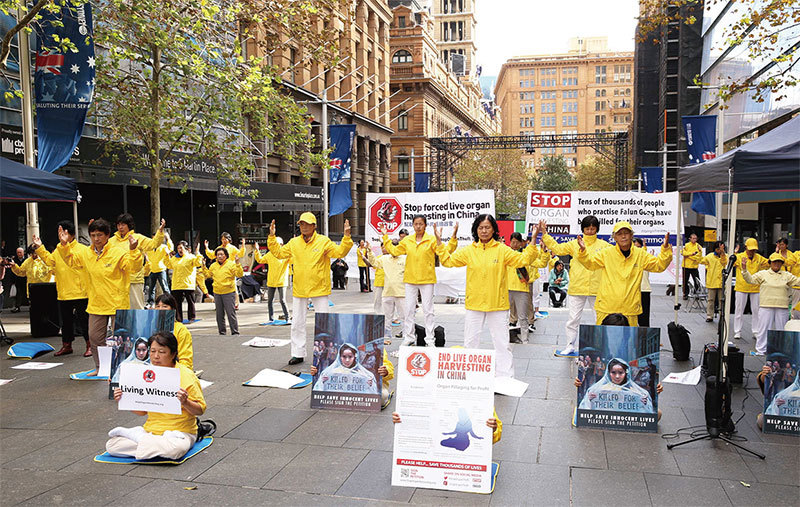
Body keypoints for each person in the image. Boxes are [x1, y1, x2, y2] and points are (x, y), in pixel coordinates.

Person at [435, 215, 540, 378]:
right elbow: (448, 261)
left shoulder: (502, 249)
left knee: (501, 343)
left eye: (487, 227)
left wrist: (533, 241)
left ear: (494, 229)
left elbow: (523, 259)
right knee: (470, 342)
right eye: (481, 228)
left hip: (497, 304)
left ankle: (505, 377)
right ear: (476, 230)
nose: (484, 231)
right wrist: (440, 243)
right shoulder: (469, 251)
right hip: (474, 304)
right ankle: (469, 376)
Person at [52, 218, 143, 374]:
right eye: (93, 235)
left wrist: (134, 250)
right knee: (95, 338)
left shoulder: (118, 253)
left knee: (121, 340)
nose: (96, 239)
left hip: (117, 303)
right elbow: (71, 261)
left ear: (107, 235)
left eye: (99, 235)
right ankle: (101, 367)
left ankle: (123, 370)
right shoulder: (86, 253)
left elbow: (134, 268)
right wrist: (64, 245)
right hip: (96, 303)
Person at [267, 213, 353, 365]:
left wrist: (346, 237)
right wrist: (272, 237)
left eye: (307, 224)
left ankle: (326, 353)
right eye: (301, 224)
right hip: (300, 287)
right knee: (297, 323)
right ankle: (297, 353)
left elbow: (339, 253)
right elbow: (279, 253)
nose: (304, 227)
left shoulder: (323, 241)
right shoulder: (294, 242)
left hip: (319, 287)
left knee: (324, 322)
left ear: (314, 226)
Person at [106, 331, 206, 460]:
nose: (156, 356)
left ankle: (140, 439)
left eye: (162, 352)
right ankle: (147, 441)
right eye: (152, 351)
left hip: (180, 432)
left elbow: (200, 410)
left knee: (175, 450)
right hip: (151, 430)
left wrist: (185, 402)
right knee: (113, 446)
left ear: (173, 354)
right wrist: (123, 399)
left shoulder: (186, 375)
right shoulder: (146, 373)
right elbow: (142, 412)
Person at [576, 221, 673, 326]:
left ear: (631, 235)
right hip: (607, 308)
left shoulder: (640, 254)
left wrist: (665, 249)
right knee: (603, 340)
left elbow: (659, 266)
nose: (623, 236)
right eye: (619, 234)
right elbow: (590, 263)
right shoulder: (606, 253)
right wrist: (583, 251)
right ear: (614, 237)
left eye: (626, 233)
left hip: (630, 309)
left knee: (628, 341)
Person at [539, 216, 611, 357]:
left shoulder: (605, 246)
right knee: (573, 319)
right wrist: (545, 234)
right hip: (578, 287)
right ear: (583, 229)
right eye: (587, 228)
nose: (590, 231)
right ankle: (570, 345)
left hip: (598, 288)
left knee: (601, 319)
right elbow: (558, 248)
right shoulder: (574, 244)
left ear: (597, 229)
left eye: (593, 228)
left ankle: (603, 347)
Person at [381, 216, 457, 346]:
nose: (418, 226)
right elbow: (394, 251)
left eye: (421, 224)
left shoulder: (431, 239)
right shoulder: (407, 241)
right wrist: (385, 236)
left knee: (428, 310)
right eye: (416, 224)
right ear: (413, 225)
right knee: (408, 310)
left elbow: (445, 251)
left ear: (425, 225)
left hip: (427, 279)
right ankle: (409, 337)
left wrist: (452, 238)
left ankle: (430, 339)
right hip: (410, 279)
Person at [34, 221, 91, 357]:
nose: (61, 236)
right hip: (64, 291)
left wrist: (65, 245)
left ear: (71, 234)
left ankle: (90, 345)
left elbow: (75, 262)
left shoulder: (82, 249)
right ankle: (67, 345)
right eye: (60, 233)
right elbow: (50, 261)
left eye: (64, 233)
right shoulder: (58, 249)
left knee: (84, 320)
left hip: (80, 291)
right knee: (65, 322)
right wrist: (39, 247)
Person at [740, 253, 800, 356]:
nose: (776, 264)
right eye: (774, 262)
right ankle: (760, 350)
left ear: (781, 264)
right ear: (770, 263)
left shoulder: (786, 275)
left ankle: (781, 351)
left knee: (781, 330)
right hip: (766, 305)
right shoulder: (763, 273)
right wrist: (744, 270)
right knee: (763, 328)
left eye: (779, 262)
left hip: (782, 306)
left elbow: (798, 281)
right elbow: (750, 279)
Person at [109, 214, 166, 310]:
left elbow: (153, 244)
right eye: (118, 225)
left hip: (134, 280)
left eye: (123, 224)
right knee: (119, 310)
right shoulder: (111, 241)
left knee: (136, 309)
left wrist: (160, 231)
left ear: (129, 225)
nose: (120, 227)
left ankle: (139, 325)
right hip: (117, 281)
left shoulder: (137, 238)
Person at [507, 232, 548, 343]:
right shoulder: (506, 253)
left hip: (522, 288)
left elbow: (542, 264)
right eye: (512, 241)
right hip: (508, 288)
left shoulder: (526, 255)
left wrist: (544, 252)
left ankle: (525, 339)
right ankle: (509, 334)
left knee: (522, 316)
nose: (514, 244)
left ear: (521, 243)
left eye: (517, 242)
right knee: (507, 313)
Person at [393, 410, 502, 444]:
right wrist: (402, 420)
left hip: (466, 449)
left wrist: (492, 430)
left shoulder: (482, 402)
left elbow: (494, 436)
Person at [733, 238, 769, 340]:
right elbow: (728, 262)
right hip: (742, 286)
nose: (752, 252)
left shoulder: (759, 258)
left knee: (756, 310)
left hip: (755, 287)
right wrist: (734, 254)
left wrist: (777, 252)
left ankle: (756, 331)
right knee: (739, 310)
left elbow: (769, 263)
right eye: (750, 249)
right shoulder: (739, 257)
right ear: (746, 248)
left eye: (754, 250)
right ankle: (737, 331)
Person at [311, 343, 380, 394]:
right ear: (340, 357)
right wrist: (323, 382)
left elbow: (372, 395)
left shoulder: (365, 374)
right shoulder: (330, 373)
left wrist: (369, 385)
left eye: (350, 357)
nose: (347, 360)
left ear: (355, 357)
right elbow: (318, 391)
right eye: (344, 357)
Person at [204, 247, 243, 335]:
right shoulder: (213, 265)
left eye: (222, 254)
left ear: (226, 255)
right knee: (219, 315)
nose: (220, 256)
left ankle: (235, 332)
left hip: (228, 292)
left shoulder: (231, 264)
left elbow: (239, 274)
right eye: (218, 255)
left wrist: (237, 263)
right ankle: (222, 332)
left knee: (230, 313)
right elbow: (208, 275)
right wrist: (203, 266)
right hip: (217, 292)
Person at [165, 241, 204, 323]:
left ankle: (191, 317)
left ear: (186, 249)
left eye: (181, 248)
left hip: (188, 284)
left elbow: (198, 263)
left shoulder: (191, 257)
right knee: (177, 303)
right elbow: (168, 265)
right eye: (178, 248)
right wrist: (166, 256)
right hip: (177, 284)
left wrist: (198, 254)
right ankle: (178, 319)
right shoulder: (174, 258)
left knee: (190, 302)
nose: (180, 250)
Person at [372, 241, 405, 338]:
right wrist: (370, 252)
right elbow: (373, 262)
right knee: (387, 317)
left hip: (401, 292)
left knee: (404, 316)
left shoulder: (404, 259)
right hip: (387, 292)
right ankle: (387, 336)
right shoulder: (384, 258)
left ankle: (407, 336)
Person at [253, 239, 291, 322]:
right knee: (270, 301)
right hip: (271, 281)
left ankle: (287, 317)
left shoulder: (285, 255)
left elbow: (293, 260)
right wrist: (257, 250)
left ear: (281, 245)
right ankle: (271, 318)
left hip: (282, 280)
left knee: (282, 300)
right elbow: (260, 260)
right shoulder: (270, 254)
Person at [153, 293, 194, 369]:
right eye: (158, 306)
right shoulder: (152, 326)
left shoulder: (181, 330)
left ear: (172, 309)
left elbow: (185, 359)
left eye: (165, 306)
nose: (160, 309)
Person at [698, 241, 728, 323]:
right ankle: (709, 315)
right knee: (711, 300)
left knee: (721, 300)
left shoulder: (725, 256)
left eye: (721, 249)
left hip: (721, 282)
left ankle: (722, 315)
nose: (719, 250)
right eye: (718, 249)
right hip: (712, 281)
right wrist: (699, 253)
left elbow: (724, 262)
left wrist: (722, 253)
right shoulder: (710, 256)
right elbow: (701, 261)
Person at [144, 232, 173, 308]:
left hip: (161, 269)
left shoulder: (163, 247)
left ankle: (169, 301)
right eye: (154, 238)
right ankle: (150, 302)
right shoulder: (150, 248)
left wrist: (168, 238)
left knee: (165, 287)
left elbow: (171, 248)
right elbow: (144, 250)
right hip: (152, 269)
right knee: (151, 288)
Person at [633, 238, 652, 327]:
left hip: (644, 290)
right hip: (630, 290)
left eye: (639, 247)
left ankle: (644, 337)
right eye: (635, 247)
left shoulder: (646, 258)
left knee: (644, 318)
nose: (637, 249)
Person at [681, 233, 703, 299]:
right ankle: (685, 293)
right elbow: (682, 252)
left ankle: (696, 293)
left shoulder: (698, 246)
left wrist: (689, 256)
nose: (694, 240)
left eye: (695, 238)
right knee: (685, 281)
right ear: (690, 239)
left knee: (697, 280)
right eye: (693, 238)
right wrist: (691, 254)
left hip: (694, 266)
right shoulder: (686, 245)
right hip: (686, 266)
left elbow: (699, 256)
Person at [9, 246, 27, 311]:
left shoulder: (27, 260)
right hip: (18, 279)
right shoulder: (14, 260)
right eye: (18, 252)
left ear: (23, 253)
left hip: (26, 279)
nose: (19, 254)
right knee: (18, 293)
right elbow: (13, 271)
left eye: (20, 252)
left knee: (28, 292)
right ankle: (17, 306)